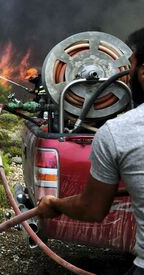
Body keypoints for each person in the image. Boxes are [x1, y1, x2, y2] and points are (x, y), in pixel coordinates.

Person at [37, 28, 144, 275]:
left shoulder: (118, 133)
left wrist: (56, 204)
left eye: (131, 63)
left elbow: (92, 208)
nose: (124, 73)